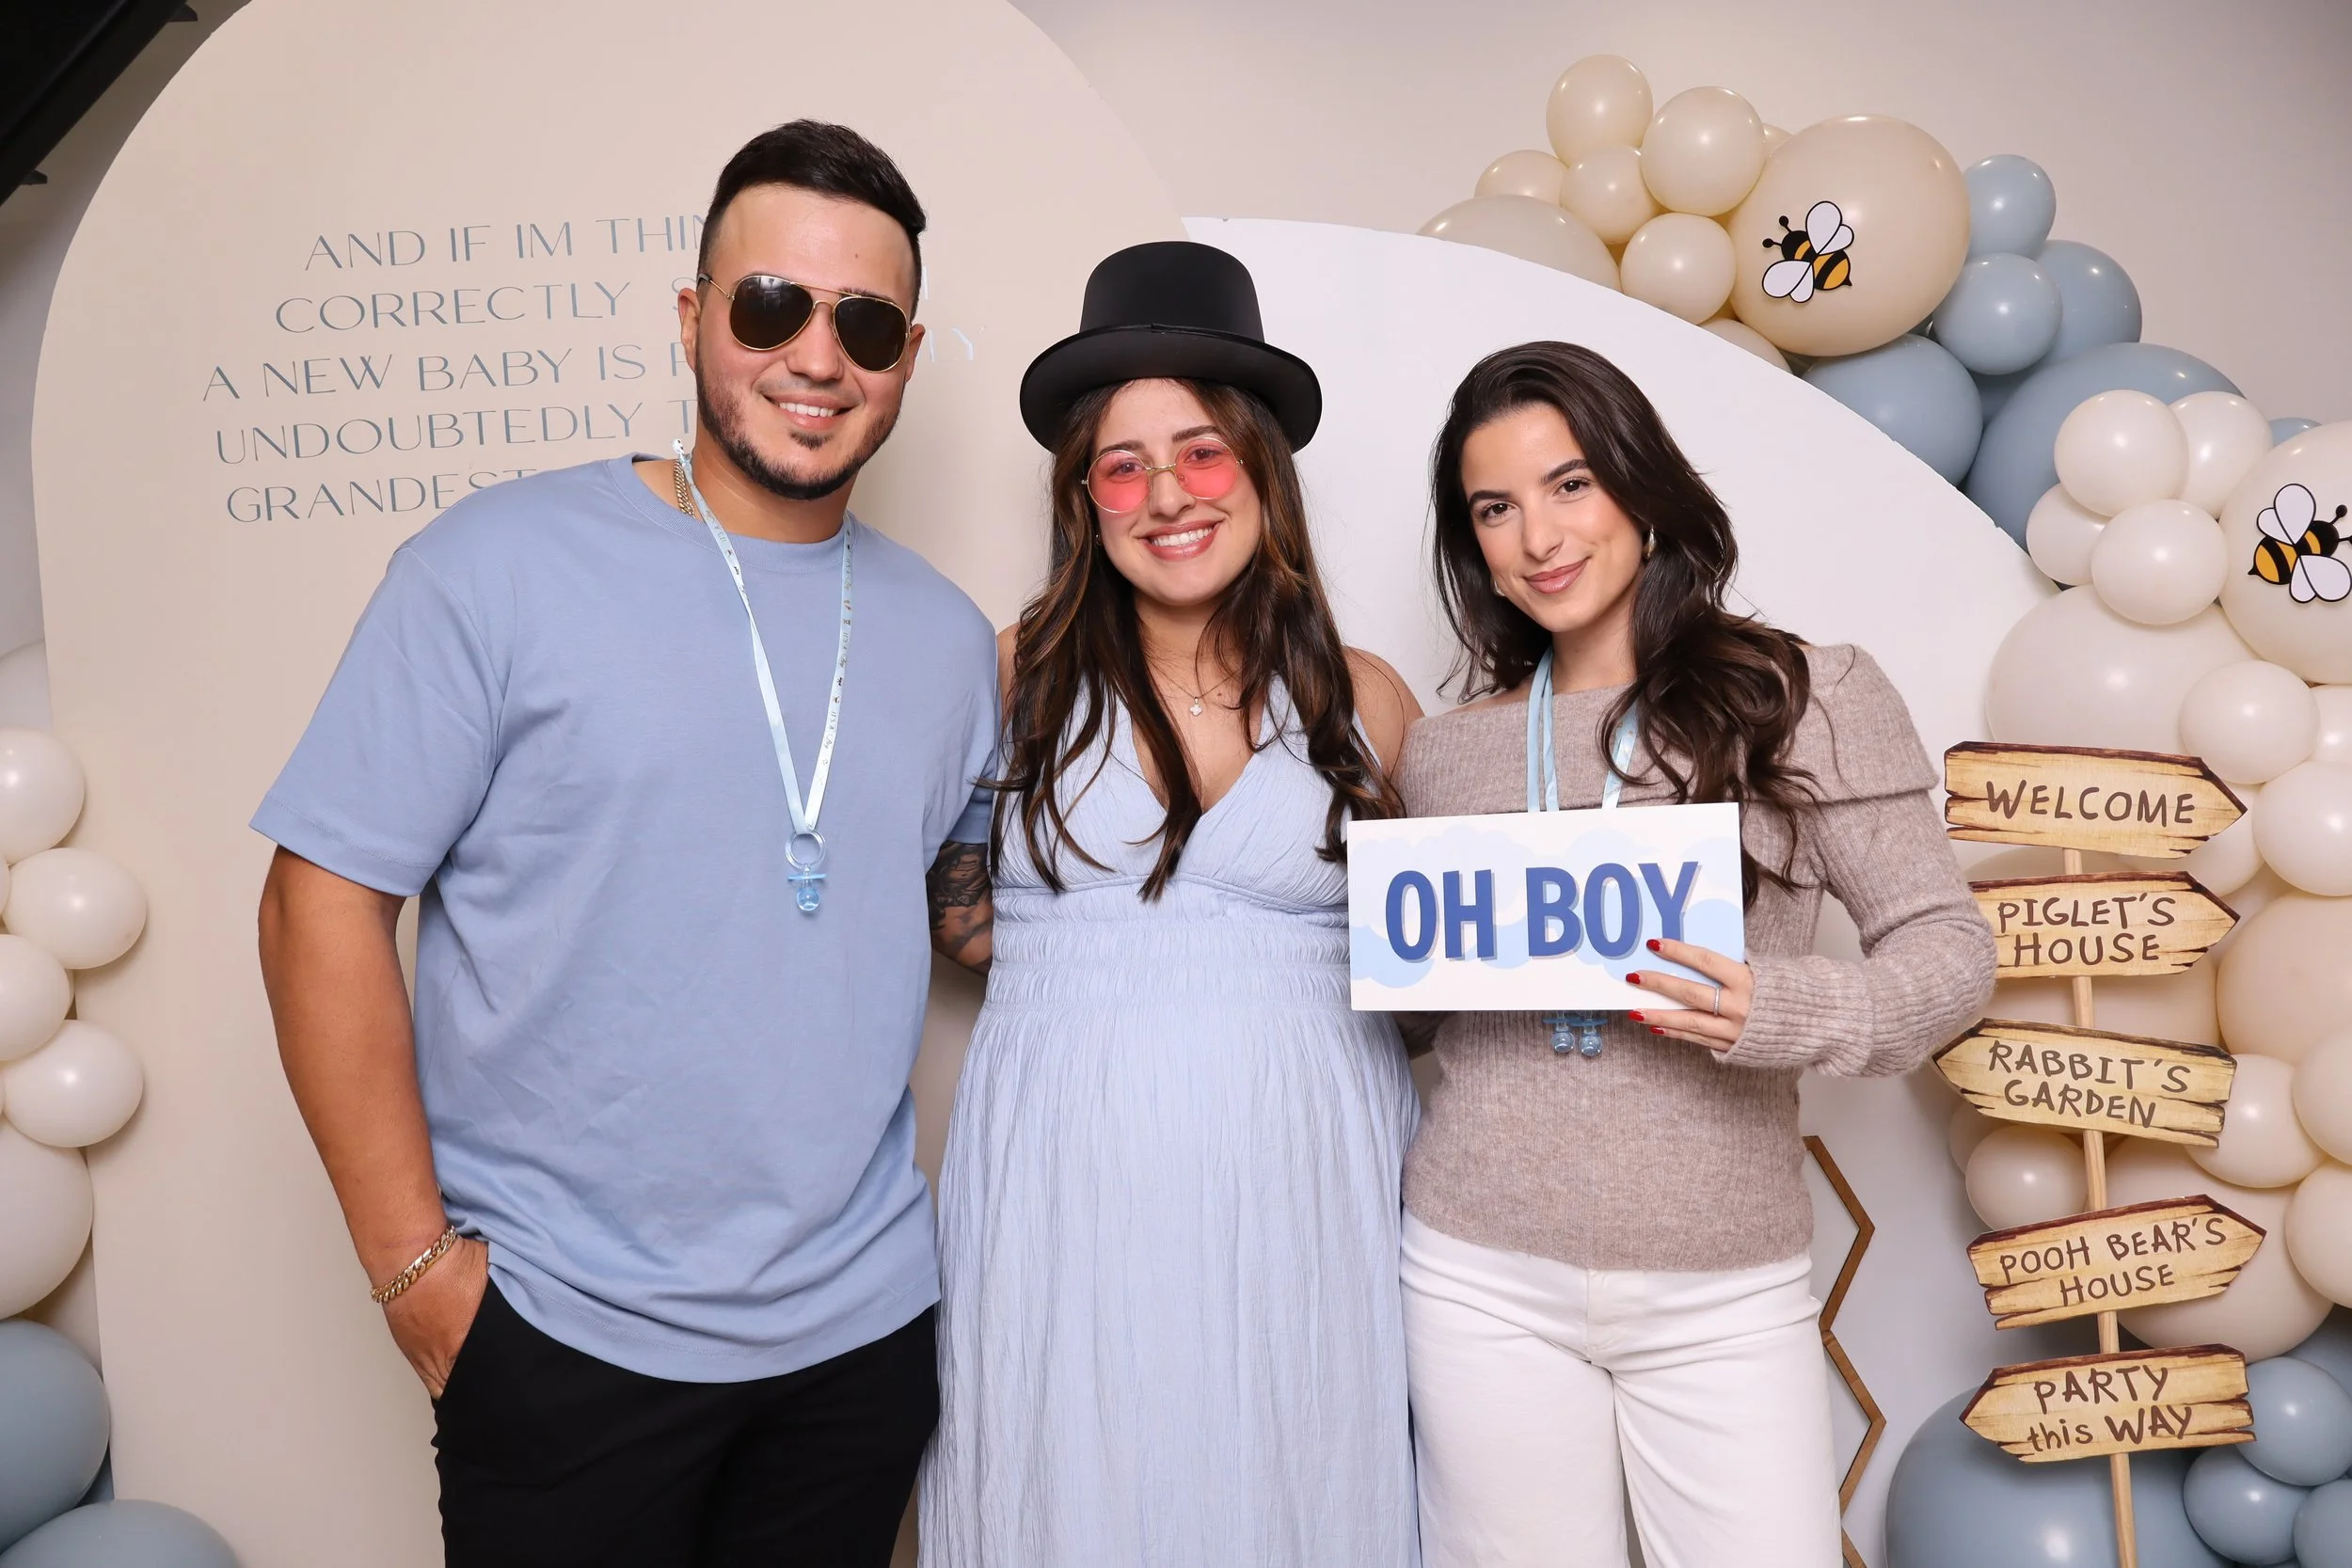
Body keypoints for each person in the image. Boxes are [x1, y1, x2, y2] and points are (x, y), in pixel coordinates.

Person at [254, 120, 999, 1568]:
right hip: (561, 1336)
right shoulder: (493, 569)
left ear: (905, 355)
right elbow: (317, 902)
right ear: (693, 317)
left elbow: (979, 916)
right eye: (771, 304)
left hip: (859, 1338)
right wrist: (417, 1273)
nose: (816, 355)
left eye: (863, 322)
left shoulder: (952, 641)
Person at [1393, 341, 1996, 1568]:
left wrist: (1771, 1006)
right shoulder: (1446, 754)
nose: (1537, 537)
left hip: (1720, 1281)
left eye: (1570, 485)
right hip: (1475, 1269)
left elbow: (1949, 952)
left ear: (1642, 486)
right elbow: (1428, 1007)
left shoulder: (1803, 695)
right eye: (1493, 508)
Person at [916, 241, 1423, 1567]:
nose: (1165, 496)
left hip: (1311, 1165)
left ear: (1261, 467)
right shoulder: (1012, 671)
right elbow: (956, 906)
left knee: (1298, 1470)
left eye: (1199, 453)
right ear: (1084, 497)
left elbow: (1430, 959)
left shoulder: (1365, 697)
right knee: (1075, 1475)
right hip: (1064, 1166)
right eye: (1122, 464)